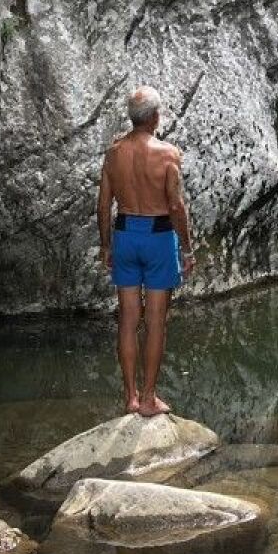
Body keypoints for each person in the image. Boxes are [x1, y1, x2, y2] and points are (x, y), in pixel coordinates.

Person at [97, 86, 197, 416]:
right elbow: (176, 206)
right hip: (157, 238)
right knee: (155, 321)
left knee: (128, 320)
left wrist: (107, 245)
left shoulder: (113, 154)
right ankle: (149, 398)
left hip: (126, 234)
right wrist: (187, 248)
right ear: (155, 117)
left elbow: (103, 204)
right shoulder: (168, 155)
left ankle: (130, 398)